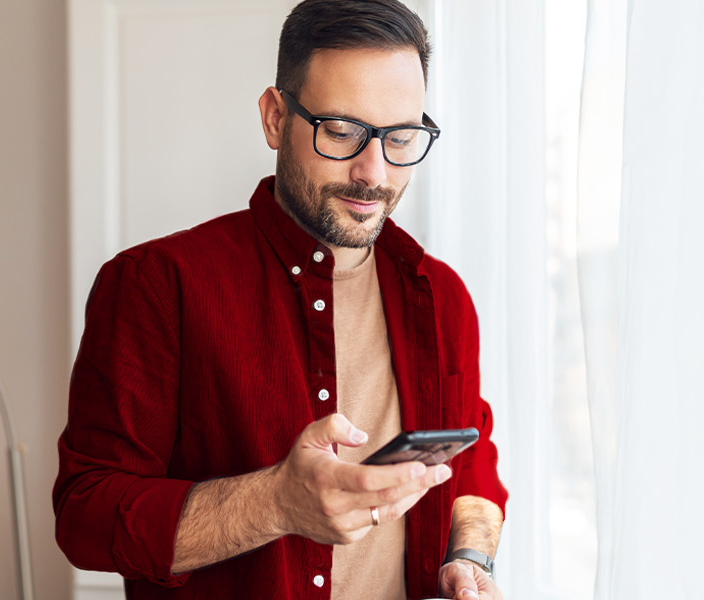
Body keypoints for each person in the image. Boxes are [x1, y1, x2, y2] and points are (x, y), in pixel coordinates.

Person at [54, 1, 506, 598]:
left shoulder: (442, 295)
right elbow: (86, 518)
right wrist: (275, 502)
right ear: (273, 117)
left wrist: (470, 559)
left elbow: (470, 463)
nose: (374, 172)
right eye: (342, 132)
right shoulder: (155, 283)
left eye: (401, 137)